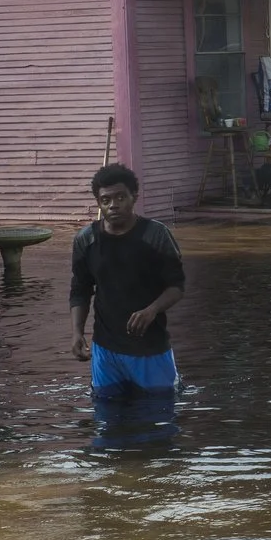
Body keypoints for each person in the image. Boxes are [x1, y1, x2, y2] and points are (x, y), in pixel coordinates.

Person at [70, 163, 186, 398]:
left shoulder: (155, 235)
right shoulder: (86, 239)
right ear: (99, 202)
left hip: (150, 349)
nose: (113, 205)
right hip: (106, 350)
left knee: (159, 415)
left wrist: (152, 310)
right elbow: (80, 290)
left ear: (134, 197)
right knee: (106, 417)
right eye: (106, 200)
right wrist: (76, 332)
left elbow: (177, 286)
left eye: (120, 197)